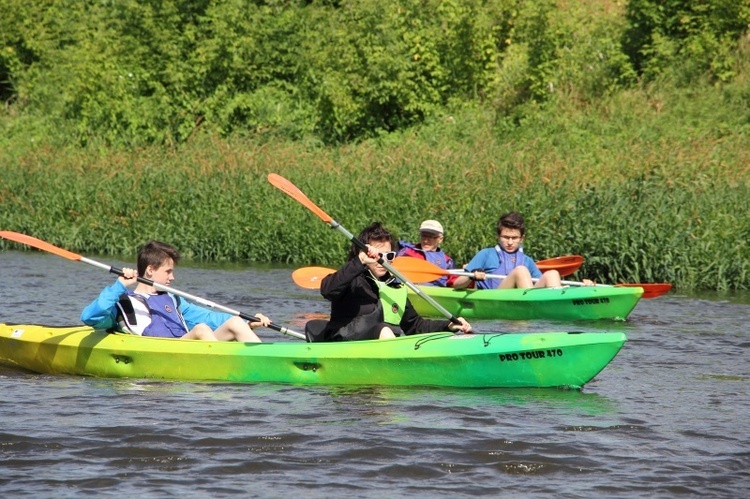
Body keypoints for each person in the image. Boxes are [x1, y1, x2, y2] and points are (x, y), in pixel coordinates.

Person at [306, 222, 472, 342]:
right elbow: (327, 290)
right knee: (383, 329)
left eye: (388, 256)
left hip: (383, 347)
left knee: (385, 331)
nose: (382, 261)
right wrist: (359, 261)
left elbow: (415, 326)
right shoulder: (353, 279)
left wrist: (447, 326)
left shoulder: (396, 286)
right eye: (377, 256)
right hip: (344, 344)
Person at [81, 240, 269, 342]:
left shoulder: (174, 300)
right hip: (162, 352)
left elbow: (210, 317)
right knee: (201, 330)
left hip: (187, 346)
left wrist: (248, 322)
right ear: (150, 270)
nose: (172, 278)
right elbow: (91, 317)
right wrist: (119, 285)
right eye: (168, 271)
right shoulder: (123, 302)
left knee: (234, 322)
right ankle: (230, 364)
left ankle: (263, 360)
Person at [453, 212, 594, 290]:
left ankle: (559, 306)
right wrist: (471, 276)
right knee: (520, 271)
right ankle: (533, 306)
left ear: (522, 239)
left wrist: (582, 288)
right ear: (498, 236)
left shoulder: (527, 260)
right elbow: (457, 284)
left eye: (514, 238)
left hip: (524, 297)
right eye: (505, 237)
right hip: (499, 298)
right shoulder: (486, 254)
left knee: (552, 274)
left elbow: (542, 284)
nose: (509, 242)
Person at [398, 219, 458, 287]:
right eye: (424, 236)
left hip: (433, 294)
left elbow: (454, 283)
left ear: (440, 239)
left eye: (431, 237)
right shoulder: (407, 251)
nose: (426, 240)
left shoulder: (447, 261)